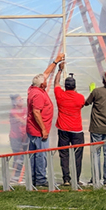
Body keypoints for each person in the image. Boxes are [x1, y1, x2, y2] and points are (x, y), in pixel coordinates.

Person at [26, 58, 60, 188]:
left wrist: (56, 62)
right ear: (42, 85)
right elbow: (36, 112)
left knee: (34, 153)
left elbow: (45, 74)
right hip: (38, 130)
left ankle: (34, 178)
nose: (46, 80)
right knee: (41, 154)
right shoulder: (38, 95)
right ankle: (40, 179)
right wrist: (44, 129)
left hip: (33, 129)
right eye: (45, 81)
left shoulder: (33, 88)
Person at [53, 62, 85, 187]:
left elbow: (56, 84)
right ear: (75, 86)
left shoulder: (60, 95)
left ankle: (66, 179)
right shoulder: (80, 97)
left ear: (65, 86)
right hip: (77, 129)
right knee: (77, 155)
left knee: (64, 154)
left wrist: (59, 71)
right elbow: (82, 104)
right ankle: (76, 179)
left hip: (63, 129)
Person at [8, 94, 28, 183]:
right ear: (15, 102)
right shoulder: (13, 111)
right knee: (18, 157)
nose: (22, 101)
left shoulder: (25, 110)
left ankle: (19, 177)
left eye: (22, 99)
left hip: (24, 136)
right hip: (15, 137)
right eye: (19, 100)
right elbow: (22, 121)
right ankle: (14, 177)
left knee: (23, 157)